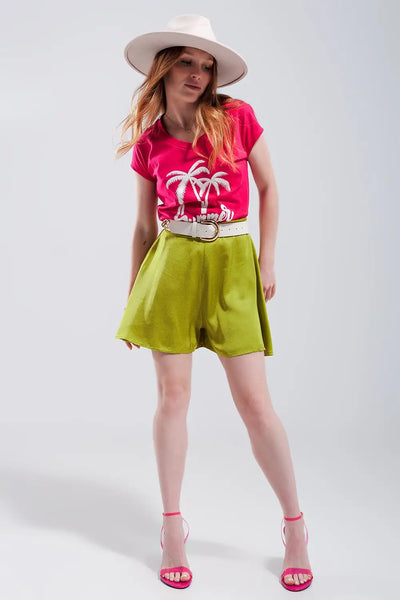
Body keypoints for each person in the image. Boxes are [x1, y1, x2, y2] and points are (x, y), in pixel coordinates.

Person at [114, 14, 313, 592]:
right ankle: (172, 528)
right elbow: (143, 228)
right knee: (173, 398)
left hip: (231, 264)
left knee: (255, 403)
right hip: (173, 267)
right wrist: (134, 296)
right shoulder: (150, 144)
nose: (198, 74)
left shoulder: (237, 118)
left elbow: (270, 188)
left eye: (206, 65)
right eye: (186, 62)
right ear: (163, 68)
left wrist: (266, 261)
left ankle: (295, 528)